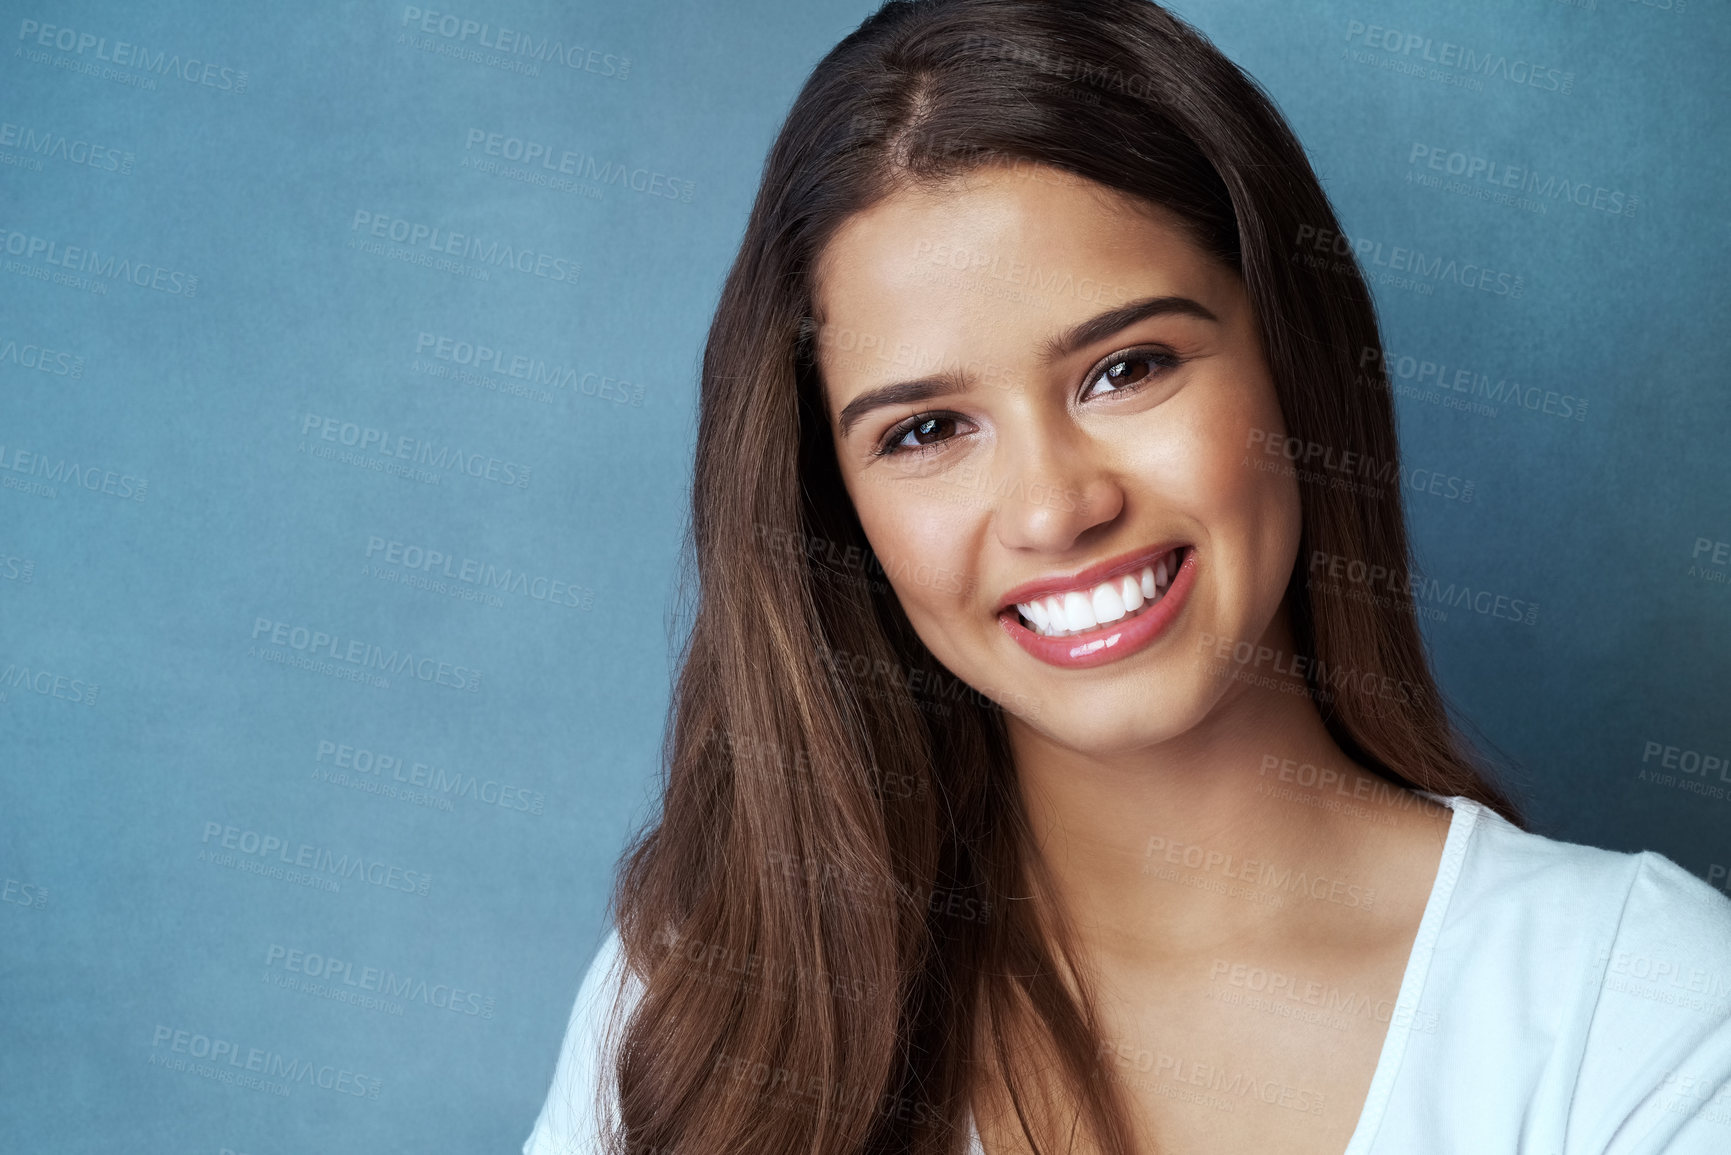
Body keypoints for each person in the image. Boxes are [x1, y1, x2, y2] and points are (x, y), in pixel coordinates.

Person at [523, 1, 1731, 1151]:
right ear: (837, 510)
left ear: (1293, 361)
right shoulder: (700, 1001)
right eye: (927, 432)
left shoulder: (1641, 1002)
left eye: (1126, 369)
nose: (1056, 507)